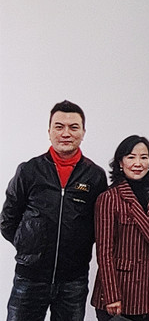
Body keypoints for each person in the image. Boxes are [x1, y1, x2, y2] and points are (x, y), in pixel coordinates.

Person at [1, 100, 108, 321]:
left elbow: (99, 226)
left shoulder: (95, 176)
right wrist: (29, 247)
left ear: (83, 132)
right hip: (29, 278)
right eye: (59, 127)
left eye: (73, 127)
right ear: (49, 132)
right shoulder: (29, 170)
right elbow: (8, 220)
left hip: (73, 280)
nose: (66, 133)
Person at [92, 135, 149, 321]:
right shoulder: (109, 198)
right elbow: (104, 252)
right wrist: (112, 295)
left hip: (146, 293)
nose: (138, 163)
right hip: (119, 293)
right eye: (131, 157)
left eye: (144, 157)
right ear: (120, 163)